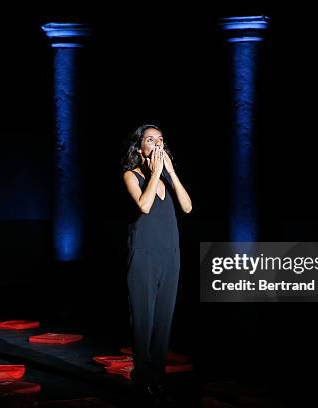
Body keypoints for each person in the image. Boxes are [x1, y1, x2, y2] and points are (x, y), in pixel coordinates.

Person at [121, 124, 192, 405]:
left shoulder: (167, 178)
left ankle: (157, 378)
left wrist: (170, 172)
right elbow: (144, 206)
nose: (158, 144)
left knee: (164, 320)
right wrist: (153, 174)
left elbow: (187, 207)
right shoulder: (132, 175)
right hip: (144, 255)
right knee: (144, 320)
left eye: (161, 139)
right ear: (140, 147)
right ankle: (142, 378)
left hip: (170, 254)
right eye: (151, 140)